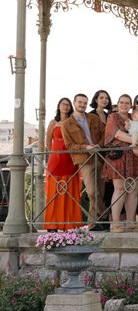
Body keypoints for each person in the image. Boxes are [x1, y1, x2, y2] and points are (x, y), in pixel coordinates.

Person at [60, 93, 106, 230]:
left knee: (100, 191)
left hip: (100, 157)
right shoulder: (67, 124)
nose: (82, 105)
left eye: (85, 103)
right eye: (80, 102)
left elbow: (104, 134)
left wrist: (99, 145)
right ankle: (105, 215)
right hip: (85, 159)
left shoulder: (94, 118)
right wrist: (86, 147)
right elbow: (69, 146)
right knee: (92, 192)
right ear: (74, 103)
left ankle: (93, 223)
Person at [102, 94, 138, 233]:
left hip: (133, 157)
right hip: (119, 157)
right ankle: (115, 223)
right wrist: (135, 140)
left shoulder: (134, 117)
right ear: (118, 103)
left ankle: (131, 222)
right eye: (121, 102)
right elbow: (117, 134)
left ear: (131, 105)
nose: (124, 105)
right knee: (120, 189)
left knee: (133, 189)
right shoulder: (113, 117)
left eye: (127, 103)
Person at [44, 98, 82, 230]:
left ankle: (70, 223)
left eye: (67, 104)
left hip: (70, 158)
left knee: (70, 190)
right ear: (58, 106)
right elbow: (48, 142)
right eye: (63, 104)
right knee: (54, 191)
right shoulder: (53, 123)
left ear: (70, 107)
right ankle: (53, 224)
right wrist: (54, 154)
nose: (65, 107)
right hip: (56, 159)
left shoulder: (73, 122)